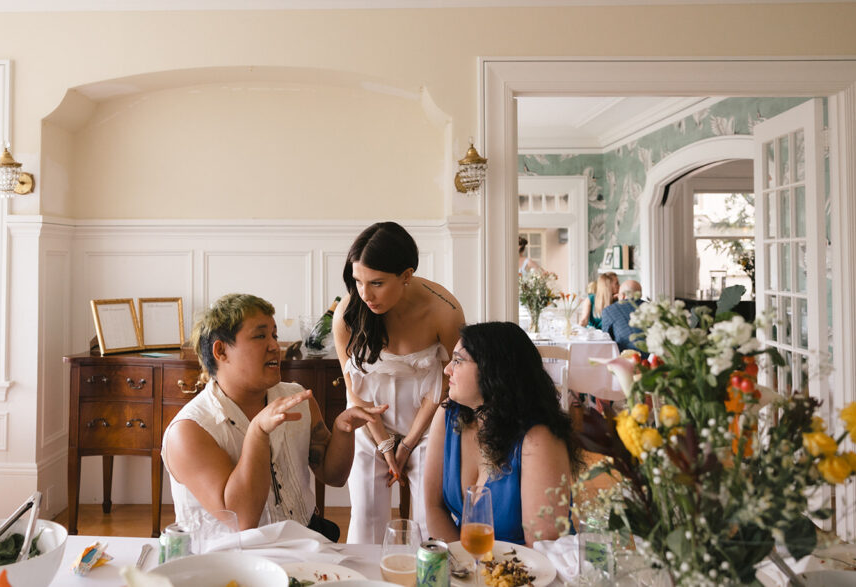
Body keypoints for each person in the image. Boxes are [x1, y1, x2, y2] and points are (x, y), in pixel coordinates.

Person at [162, 293, 386, 539]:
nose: (274, 346)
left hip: (304, 543)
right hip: (229, 561)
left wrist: (343, 430)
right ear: (221, 351)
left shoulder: (297, 398)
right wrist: (257, 432)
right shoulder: (189, 431)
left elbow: (333, 476)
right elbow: (242, 519)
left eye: (274, 335)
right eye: (260, 336)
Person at [333, 221, 465, 543]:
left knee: (426, 521)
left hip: (429, 420)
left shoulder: (444, 311)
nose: (365, 294)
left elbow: (449, 382)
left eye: (376, 283)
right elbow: (354, 390)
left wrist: (407, 444)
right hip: (369, 423)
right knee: (366, 518)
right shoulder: (348, 314)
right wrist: (384, 443)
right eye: (358, 281)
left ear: (406, 275)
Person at [423, 322, 582, 546]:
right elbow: (433, 507)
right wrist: (463, 565)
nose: (447, 369)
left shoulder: (538, 440)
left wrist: (486, 576)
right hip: (465, 564)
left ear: (494, 370)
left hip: (527, 571)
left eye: (458, 361)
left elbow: (541, 548)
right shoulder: (449, 415)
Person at [602, 279, 646, 354]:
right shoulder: (651, 308)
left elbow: (606, 340)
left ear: (622, 295)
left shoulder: (609, 310)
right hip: (655, 359)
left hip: (626, 358)